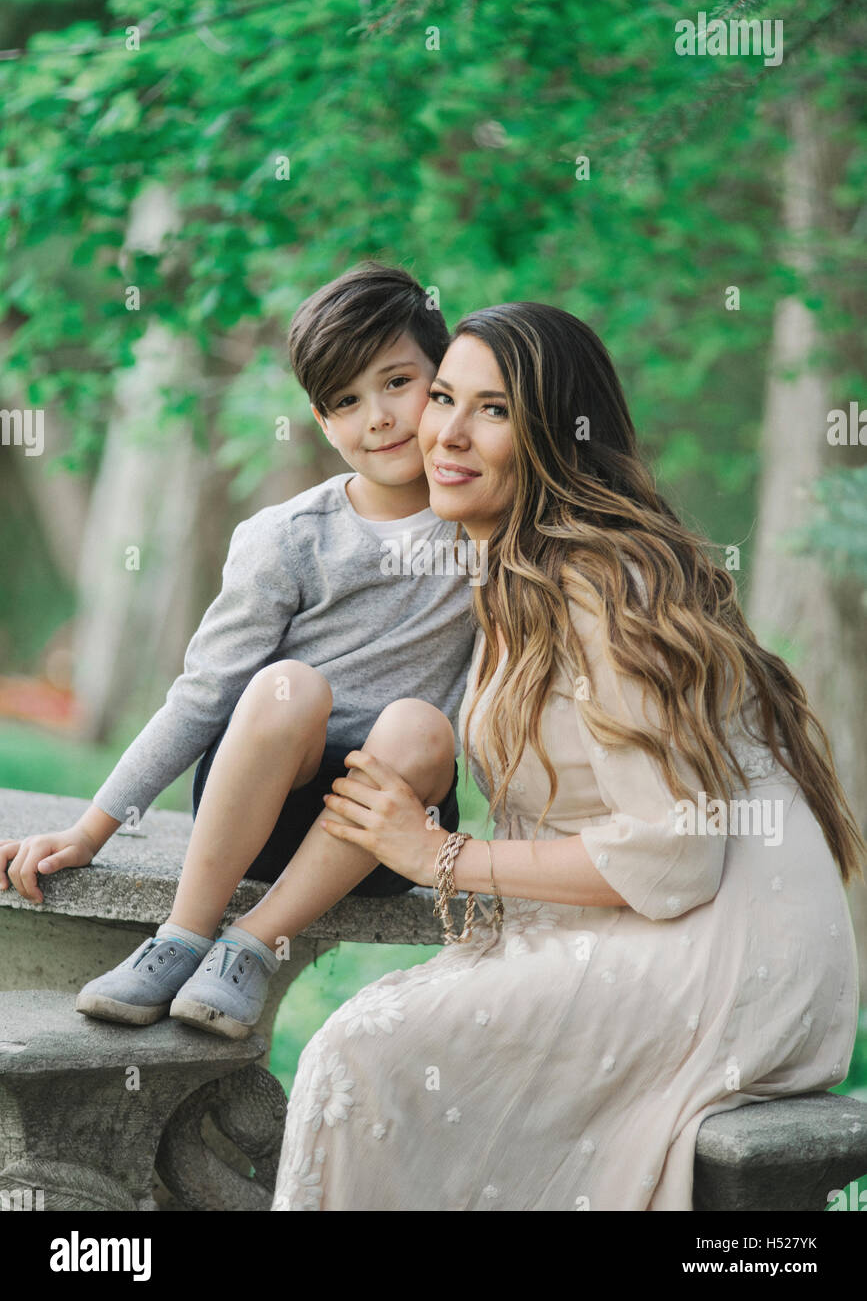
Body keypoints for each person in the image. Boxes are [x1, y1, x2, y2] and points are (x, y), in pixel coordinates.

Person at [270, 301, 863, 1211]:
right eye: (441, 397)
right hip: (656, 924)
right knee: (385, 1051)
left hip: (728, 947)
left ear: (554, 434)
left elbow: (675, 851)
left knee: (363, 1048)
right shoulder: (510, 568)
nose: (449, 434)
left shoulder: (597, 583)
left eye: (495, 410)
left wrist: (439, 858)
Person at [0, 263, 480, 1040]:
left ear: (444, 381)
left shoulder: (490, 531)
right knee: (287, 684)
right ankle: (182, 937)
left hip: (388, 829)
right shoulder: (288, 538)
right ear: (323, 424)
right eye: (347, 401)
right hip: (258, 808)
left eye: (399, 382)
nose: (380, 417)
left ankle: (250, 948)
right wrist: (91, 830)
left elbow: (503, 695)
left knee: (421, 725)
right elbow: (202, 696)